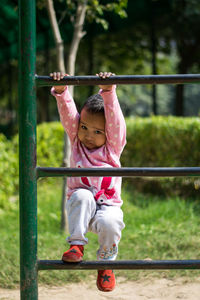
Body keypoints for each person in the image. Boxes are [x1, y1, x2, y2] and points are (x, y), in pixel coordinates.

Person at [50, 71, 126, 292]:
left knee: (112, 224)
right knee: (82, 195)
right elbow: (68, 115)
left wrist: (109, 91)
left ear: (108, 132)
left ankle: (105, 264)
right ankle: (76, 245)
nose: (88, 135)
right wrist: (62, 92)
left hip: (108, 206)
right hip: (81, 206)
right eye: (84, 127)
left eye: (97, 131)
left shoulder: (112, 147)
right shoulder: (76, 141)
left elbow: (115, 121)